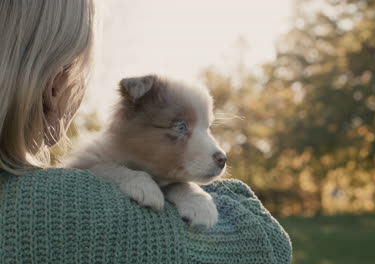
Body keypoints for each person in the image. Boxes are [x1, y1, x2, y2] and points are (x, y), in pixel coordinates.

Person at [0, 1, 291, 263]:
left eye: (207, 127)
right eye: (181, 128)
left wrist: (182, 187)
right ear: (55, 87)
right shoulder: (62, 201)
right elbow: (270, 244)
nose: (215, 148)